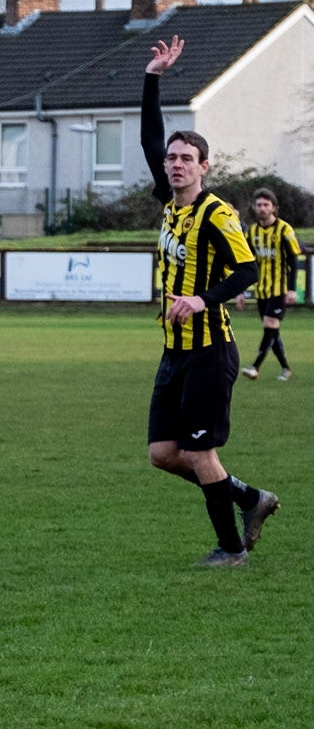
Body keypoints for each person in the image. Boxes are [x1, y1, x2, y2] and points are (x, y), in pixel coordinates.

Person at [142, 36, 279, 567]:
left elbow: (248, 269)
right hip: (174, 350)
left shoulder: (217, 215)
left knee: (199, 452)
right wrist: (152, 79)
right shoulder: (169, 206)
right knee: (163, 454)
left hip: (210, 350)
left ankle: (230, 548)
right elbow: (149, 138)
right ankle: (250, 497)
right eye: (172, 158)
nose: (175, 165)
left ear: (204, 167)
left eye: (186, 159)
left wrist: (203, 299)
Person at [237, 187, 300, 382]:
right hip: (262, 290)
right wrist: (240, 291)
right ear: (255, 208)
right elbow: (247, 262)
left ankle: (255, 367)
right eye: (259, 205)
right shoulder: (253, 232)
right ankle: (286, 369)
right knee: (272, 331)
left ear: (273, 207)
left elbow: (293, 260)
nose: (262, 208)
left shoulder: (284, 229)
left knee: (269, 325)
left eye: (266, 205)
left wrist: (291, 289)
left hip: (279, 289)